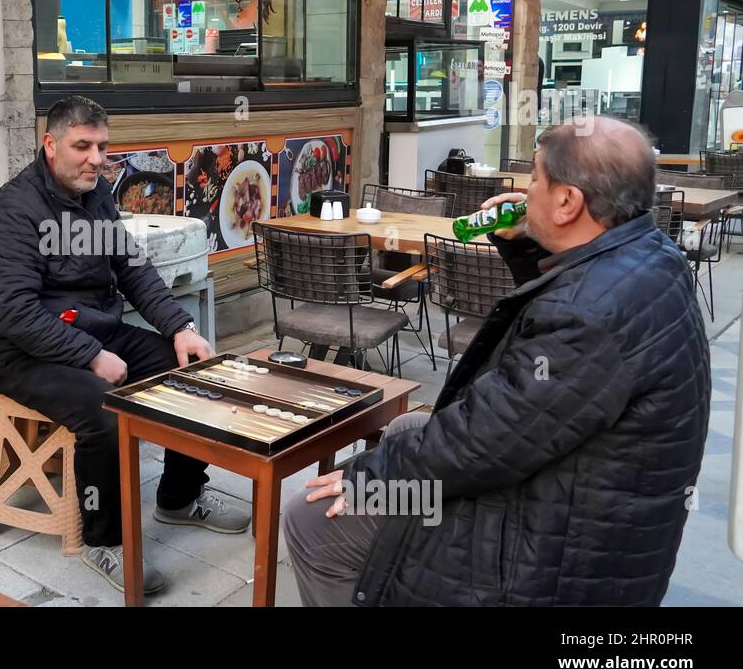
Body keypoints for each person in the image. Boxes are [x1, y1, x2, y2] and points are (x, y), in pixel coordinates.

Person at [283, 117, 710, 606]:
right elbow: (556, 354)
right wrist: (527, 240)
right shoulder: (649, 254)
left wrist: (373, 478)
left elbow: (486, 438)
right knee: (405, 432)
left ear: (568, 202)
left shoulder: (590, 317)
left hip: (557, 544)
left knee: (312, 519)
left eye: (535, 182)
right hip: (588, 489)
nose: (526, 194)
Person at [0, 95, 251, 594]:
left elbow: (131, 268)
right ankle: (105, 539)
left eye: (103, 147)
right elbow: (15, 314)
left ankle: (180, 497)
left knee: (193, 375)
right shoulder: (12, 212)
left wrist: (180, 327)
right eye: (83, 146)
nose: (96, 159)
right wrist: (89, 356)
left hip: (92, 327)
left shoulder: (96, 196)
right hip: (19, 352)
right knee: (103, 413)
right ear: (50, 144)